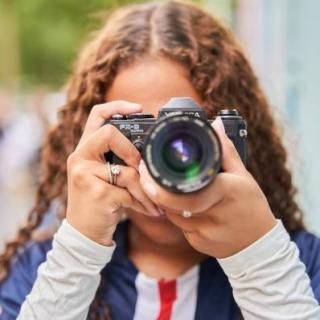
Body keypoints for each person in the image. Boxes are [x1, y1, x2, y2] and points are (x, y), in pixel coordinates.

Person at [0, 1, 320, 319]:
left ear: (234, 136)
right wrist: (78, 254)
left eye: (186, 133)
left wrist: (259, 260)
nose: (163, 162)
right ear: (94, 143)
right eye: (140, 135)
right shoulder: (47, 271)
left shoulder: (296, 264)